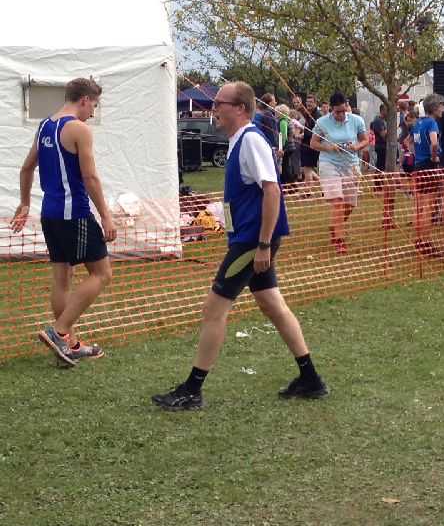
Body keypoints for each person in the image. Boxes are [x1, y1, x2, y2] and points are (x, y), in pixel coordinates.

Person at [152, 82, 328, 410]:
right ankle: (311, 379)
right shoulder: (238, 140)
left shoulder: (250, 140)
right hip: (249, 237)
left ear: (240, 108)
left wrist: (263, 245)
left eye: (219, 103)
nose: (213, 109)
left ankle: (192, 390)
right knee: (273, 305)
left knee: (213, 309)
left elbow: (273, 191)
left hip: (252, 240)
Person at [11, 78, 116, 367]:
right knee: (102, 274)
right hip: (75, 213)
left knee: (62, 276)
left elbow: (26, 168)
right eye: (94, 105)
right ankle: (58, 332)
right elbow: (90, 177)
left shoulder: (45, 125)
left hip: (50, 213)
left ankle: (70, 344)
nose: (93, 112)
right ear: (85, 99)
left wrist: (25, 203)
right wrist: (106, 215)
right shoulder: (79, 129)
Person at [310, 92, 368, 253]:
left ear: (347, 106)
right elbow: (314, 144)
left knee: (350, 204)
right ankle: (339, 240)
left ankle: (335, 225)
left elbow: (365, 139)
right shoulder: (322, 122)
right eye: (337, 112)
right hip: (329, 163)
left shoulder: (357, 120)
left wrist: (357, 147)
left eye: (343, 110)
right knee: (337, 201)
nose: (341, 114)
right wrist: (330, 148)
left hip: (351, 164)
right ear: (331, 109)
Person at [407, 93, 444, 256]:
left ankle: (419, 241)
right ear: (434, 108)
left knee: (420, 206)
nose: (443, 109)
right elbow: (434, 143)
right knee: (429, 207)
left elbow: (408, 141)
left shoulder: (418, 123)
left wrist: (416, 155)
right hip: (429, 167)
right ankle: (426, 242)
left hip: (418, 167)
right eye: (442, 106)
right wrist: (433, 157)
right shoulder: (432, 123)